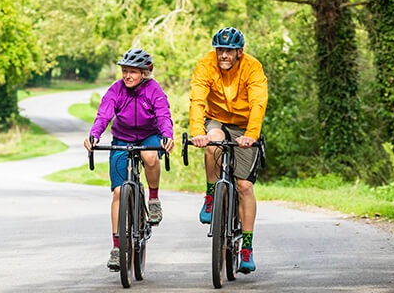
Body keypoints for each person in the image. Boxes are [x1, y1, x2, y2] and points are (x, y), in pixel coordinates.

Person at [84, 48, 175, 271]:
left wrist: (167, 135)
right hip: (122, 138)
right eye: (125, 71)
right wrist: (94, 135)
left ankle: (153, 199)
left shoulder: (154, 90)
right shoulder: (116, 90)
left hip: (148, 136)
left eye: (133, 72)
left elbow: (163, 115)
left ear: (145, 72)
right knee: (117, 192)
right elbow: (104, 114)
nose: (127, 76)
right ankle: (117, 247)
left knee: (150, 156)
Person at [188, 27, 268, 274]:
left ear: (239, 52)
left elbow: (258, 103)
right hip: (217, 120)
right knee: (213, 142)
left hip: (245, 125)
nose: (223, 55)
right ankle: (211, 196)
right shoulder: (205, 65)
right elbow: (198, 100)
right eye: (220, 50)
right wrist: (197, 132)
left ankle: (246, 247)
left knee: (244, 186)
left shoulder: (252, 68)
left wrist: (251, 136)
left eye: (229, 51)